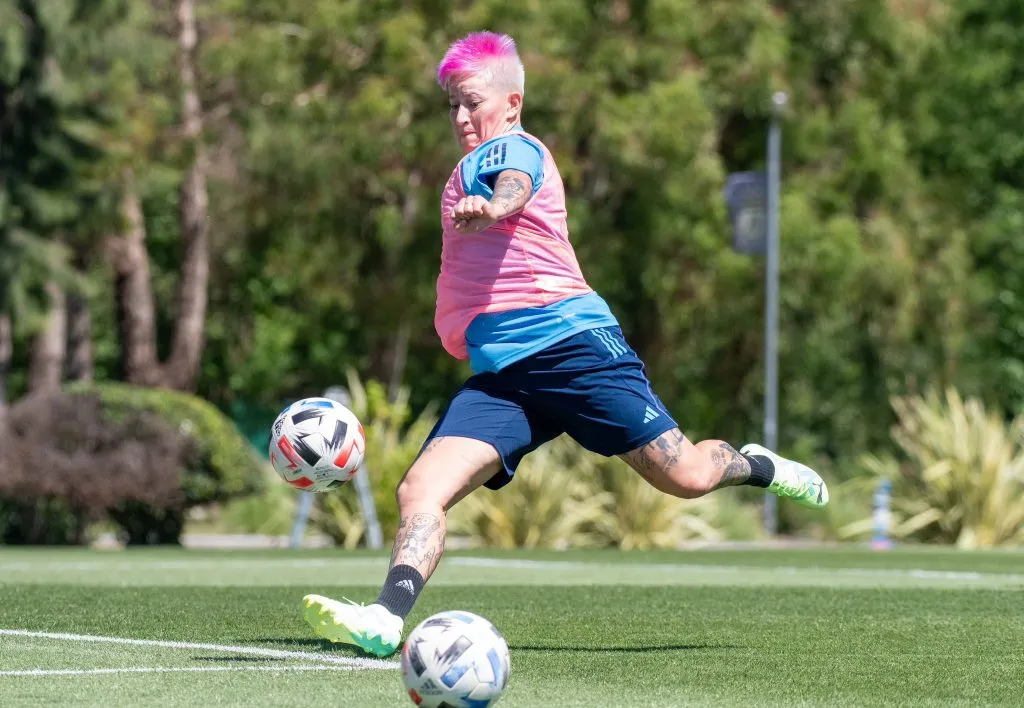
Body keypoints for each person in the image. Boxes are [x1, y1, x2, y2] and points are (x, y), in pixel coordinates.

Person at [302, 31, 829, 657]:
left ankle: (758, 464)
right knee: (419, 489)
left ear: (512, 104)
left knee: (685, 476)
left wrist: (496, 210)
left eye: (472, 102)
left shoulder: (516, 150)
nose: (462, 118)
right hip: (503, 376)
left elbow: (515, 186)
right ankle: (387, 620)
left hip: (573, 349)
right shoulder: (464, 168)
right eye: (452, 106)